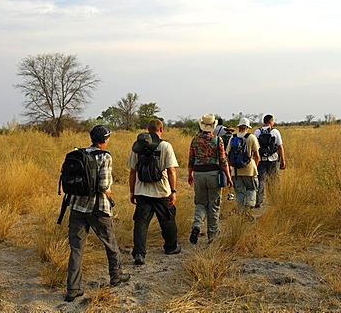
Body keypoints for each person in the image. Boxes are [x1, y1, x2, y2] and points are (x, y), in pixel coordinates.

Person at [65, 125, 130, 302]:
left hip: (77, 206)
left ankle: (72, 288)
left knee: (76, 248)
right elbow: (103, 185)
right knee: (110, 241)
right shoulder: (105, 156)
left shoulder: (80, 153)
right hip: (98, 207)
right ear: (105, 140)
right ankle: (116, 274)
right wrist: (108, 192)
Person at [127, 119, 181, 265]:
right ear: (161, 129)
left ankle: (139, 253)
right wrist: (173, 191)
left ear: (148, 129)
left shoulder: (138, 146)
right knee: (167, 219)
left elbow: (133, 172)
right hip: (162, 191)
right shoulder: (165, 146)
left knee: (141, 222)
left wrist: (132, 192)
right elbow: (171, 170)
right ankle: (171, 247)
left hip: (142, 191)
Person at [188, 113, 233, 244]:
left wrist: (190, 175)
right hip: (214, 175)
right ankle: (212, 236)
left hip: (198, 175)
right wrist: (229, 178)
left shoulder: (195, 140)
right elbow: (223, 161)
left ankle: (196, 226)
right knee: (214, 205)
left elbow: (191, 160)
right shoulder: (217, 140)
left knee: (201, 203)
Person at [226, 117, 260, 215]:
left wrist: (230, 168)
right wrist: (255, 167)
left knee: (239, 192)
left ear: (239, 126)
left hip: (236, 171)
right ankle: (248, 208)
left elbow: (228, 155)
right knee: (252, 189)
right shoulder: (252, 137)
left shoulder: (233, 137)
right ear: (247, 127)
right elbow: (257, 156)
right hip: (249, 170)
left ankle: (240, 213)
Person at [253, 114, 286, 208]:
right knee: (273, 180)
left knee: (260, 181)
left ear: (264, 121)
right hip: (273, 159)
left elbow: (254, 148)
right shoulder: (275, 131)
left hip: (261, 160)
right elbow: (280, 147)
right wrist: (283, 160)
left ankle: (258, 201)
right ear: (271, 121)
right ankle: (274, 200)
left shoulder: (257, 132)